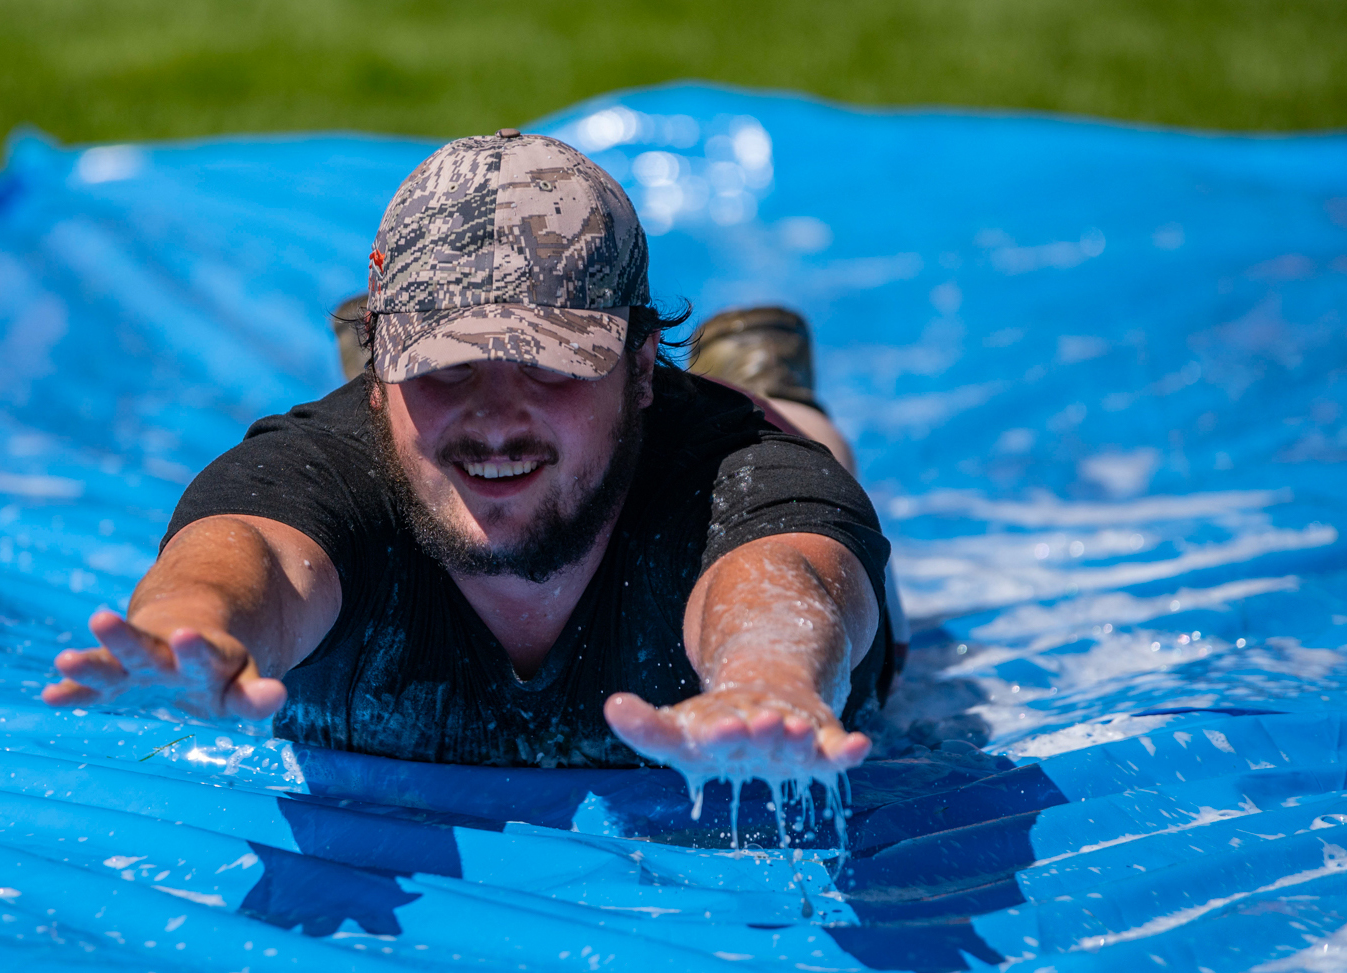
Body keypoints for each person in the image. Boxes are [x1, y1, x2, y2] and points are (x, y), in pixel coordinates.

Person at [44, 130, 902, 781]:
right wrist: (188, 631)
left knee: (803, 441)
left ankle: (753, 371)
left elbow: (784, 576)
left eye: (549, 360)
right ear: (387, 366)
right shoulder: (313, 466)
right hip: (379, 440)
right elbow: (249, 553)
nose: (496, 414)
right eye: (444, 364)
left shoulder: (740, 477)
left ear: (639, 365)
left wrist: (769, 677)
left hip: (710, 438)